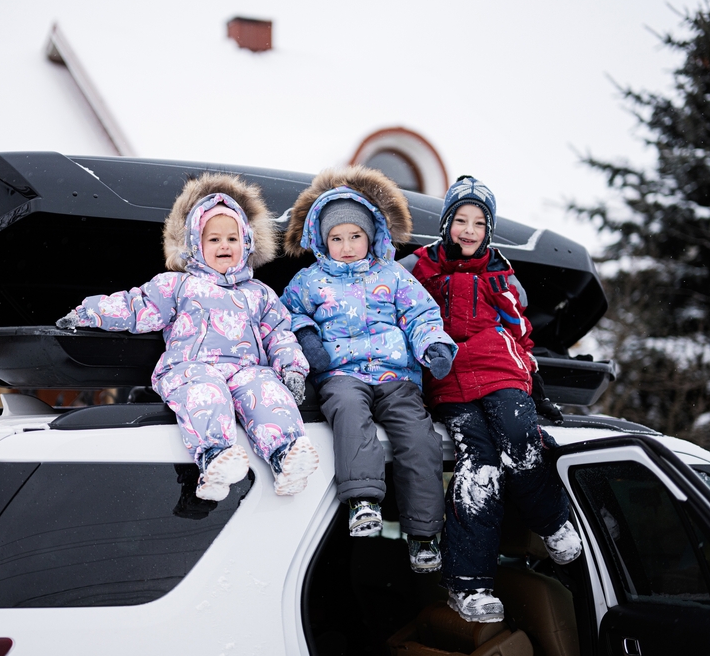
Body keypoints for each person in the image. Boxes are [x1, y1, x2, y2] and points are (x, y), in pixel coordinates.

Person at [57, 173, 319, 501]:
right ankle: (216, 456)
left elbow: (279, 334)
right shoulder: (178, 285)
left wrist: (292, 369)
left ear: (247, 244)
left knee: (266, 390)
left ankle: (287, 454)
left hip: (245, 370)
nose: (224, 245)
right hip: (193, 365)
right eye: (214, 240)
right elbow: (135, 306)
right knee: (205, 393)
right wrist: (87, 313)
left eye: (232, 239)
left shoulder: (260, 294)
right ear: (196, 244)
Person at [410, 175, 582, 623]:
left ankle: (552, 522)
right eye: (461, 220)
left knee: (521, 440)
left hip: (498, 367)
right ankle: (468, 587)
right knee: (479, 463)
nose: (469, 230)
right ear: (446, 223)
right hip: (447, 376)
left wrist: (531, 374)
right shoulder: (420, 269)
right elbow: (395, 308)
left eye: (479, 223)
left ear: (489, 229)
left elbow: (519, 328)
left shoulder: (500, 273)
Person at [280, 165, 457, 573]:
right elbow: (286, 314)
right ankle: (363, 502)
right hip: (341, 374)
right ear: (323, 242)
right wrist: (307, 339)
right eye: (336, 238)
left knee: (419, 437)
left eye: (354, 236)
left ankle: (424, 534)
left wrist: (433, 346)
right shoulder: (308, 281)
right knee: (349, 416)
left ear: (371, 235)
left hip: (396, 378)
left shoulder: (393, 276)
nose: (346, 246)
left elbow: (420, 316)